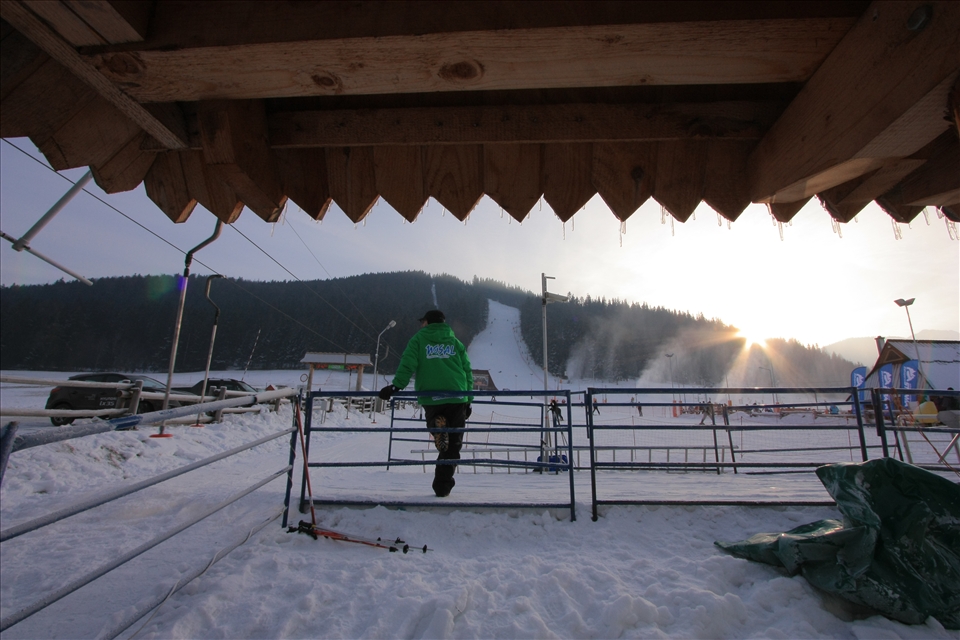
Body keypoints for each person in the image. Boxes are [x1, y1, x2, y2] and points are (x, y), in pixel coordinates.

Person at [379, 310, 473, 497]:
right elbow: (467, 370)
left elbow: (408, 363)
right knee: (453, 446)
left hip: (432, 396)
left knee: (439, 430)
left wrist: (396, 386)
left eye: (422, 322)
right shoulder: (455, 343)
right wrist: (468, 399)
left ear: (427, 322)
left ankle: (437, 427)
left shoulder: (418, 340)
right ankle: (442, 486)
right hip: (456, 396)